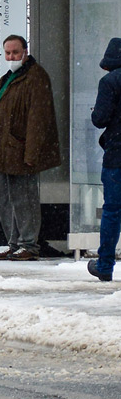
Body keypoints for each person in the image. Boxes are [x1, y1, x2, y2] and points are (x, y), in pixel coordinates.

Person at [0, 35, 62, 261]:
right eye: (8, 53)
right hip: (4, 149)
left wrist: (31, 153)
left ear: (25, 52)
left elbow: (37, 118)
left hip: (19, 150)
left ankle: (29, 244)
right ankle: (15, 243)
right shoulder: (9, 78)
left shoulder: (35, 77)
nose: (11, 57)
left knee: (24, 199)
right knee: (8, 199)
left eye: (15, 53)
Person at [88, 38, 121, 282]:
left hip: (117, 157)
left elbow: (100, 118)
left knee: (112, 210)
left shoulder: (109, 82)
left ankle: (105, 265)